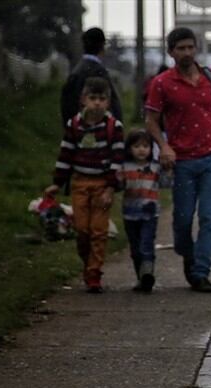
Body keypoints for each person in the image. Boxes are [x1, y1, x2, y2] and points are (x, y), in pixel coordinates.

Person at [144, 27, 211, 293]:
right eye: (181, 49)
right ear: (171, 52)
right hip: (183, 161)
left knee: (209, 217)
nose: (187, 53)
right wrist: (164, 146)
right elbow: (151, 120)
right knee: (184, 220)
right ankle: (188, 255)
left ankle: (201, 272)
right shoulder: (162, 83)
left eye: (190, 47)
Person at [45, 76, 124, 293]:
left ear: (108, 102)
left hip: (102, 185)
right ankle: (88, 264)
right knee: (82, 230)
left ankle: (94, 273)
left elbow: (117, 159)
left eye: (102, 99)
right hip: (80, 183)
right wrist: (57, 183)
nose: (97, 103)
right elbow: (66, 154)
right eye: (93, 98)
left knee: (98, 231)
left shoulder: (113, 126)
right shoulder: (74, 125)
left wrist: (110, 189)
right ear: (83, 99)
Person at [118, 129, 166, 293]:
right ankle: (141, 277)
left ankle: (147, 273)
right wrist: (118, 180)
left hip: (149, 213)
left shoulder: (155, 167)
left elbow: (165, 183)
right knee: (135, 246)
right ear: (129, 148)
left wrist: (168, 170)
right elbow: (119, 186)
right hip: (130, 213)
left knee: (146, 243)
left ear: (151, 149)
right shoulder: (125, 167)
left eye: (145, 146)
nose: (141, 150)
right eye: (137, 146)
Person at [61, 27, 123, 125]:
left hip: (79, 129)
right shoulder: (100, 72)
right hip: (100, 130)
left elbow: (67, 106)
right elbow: (114, 105)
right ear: (103, 46)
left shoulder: (76, 72)